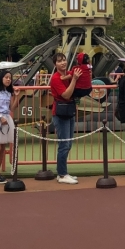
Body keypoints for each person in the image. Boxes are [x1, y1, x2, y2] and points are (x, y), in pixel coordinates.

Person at [50, 52, 82, 185]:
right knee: (64, 145)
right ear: (55, 64)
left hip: (69, 111)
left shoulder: (68, 74)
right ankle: (62, 174)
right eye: (59, 61)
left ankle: (62, 172)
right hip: (61, 112)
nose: (62, 62)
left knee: (68, 144)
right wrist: (74, 79)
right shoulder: (56, 78)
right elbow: (66, 95)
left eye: (64, 60)